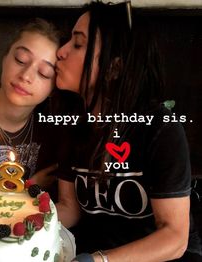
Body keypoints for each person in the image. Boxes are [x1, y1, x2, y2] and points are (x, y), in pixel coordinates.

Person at [55, 1, 202, 261]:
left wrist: (99, 260)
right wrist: (24, 220)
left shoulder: (160, 128)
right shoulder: (74, 125)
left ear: (114, 68)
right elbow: (70, 208)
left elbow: (174, 237)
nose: (61, 51)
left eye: (77, 44)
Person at [0, 18, 60, 194]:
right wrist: (30, 186)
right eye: (20, 59)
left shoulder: (54, 127)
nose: (26, 76)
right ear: (4, 58)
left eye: (44, 73)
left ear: (53, 89)